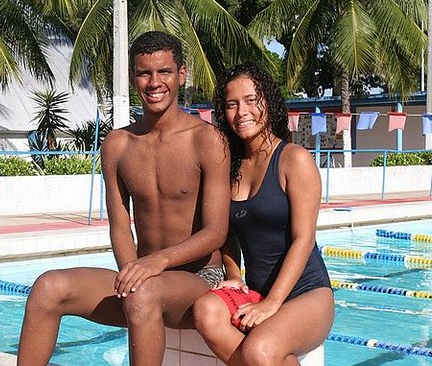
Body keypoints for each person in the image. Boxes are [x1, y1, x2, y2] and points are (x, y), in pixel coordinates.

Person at [17, 31, 230, 366]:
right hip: (142, 278)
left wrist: (155, 264)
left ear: (182, 74)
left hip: (199, 279)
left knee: (143, 295)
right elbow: (120, 226)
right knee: (48, 288)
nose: (154, 82)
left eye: (165, 72)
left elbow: (216, 232)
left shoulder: (207, 139)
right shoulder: (118, 144)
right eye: (145, 73)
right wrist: (132, 271)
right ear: (133, 77)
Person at [193, 63, 334, 365]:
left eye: (251, 100)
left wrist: (272, 303)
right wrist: (234, 276)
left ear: (268, 102)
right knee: (205, 311)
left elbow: (303, 239)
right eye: (232, 104)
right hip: (256, 291)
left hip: (307, 294)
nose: (241, 111)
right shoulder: (229, 167)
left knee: (260, 349)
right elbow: (226, 234)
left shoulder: (293, 160)